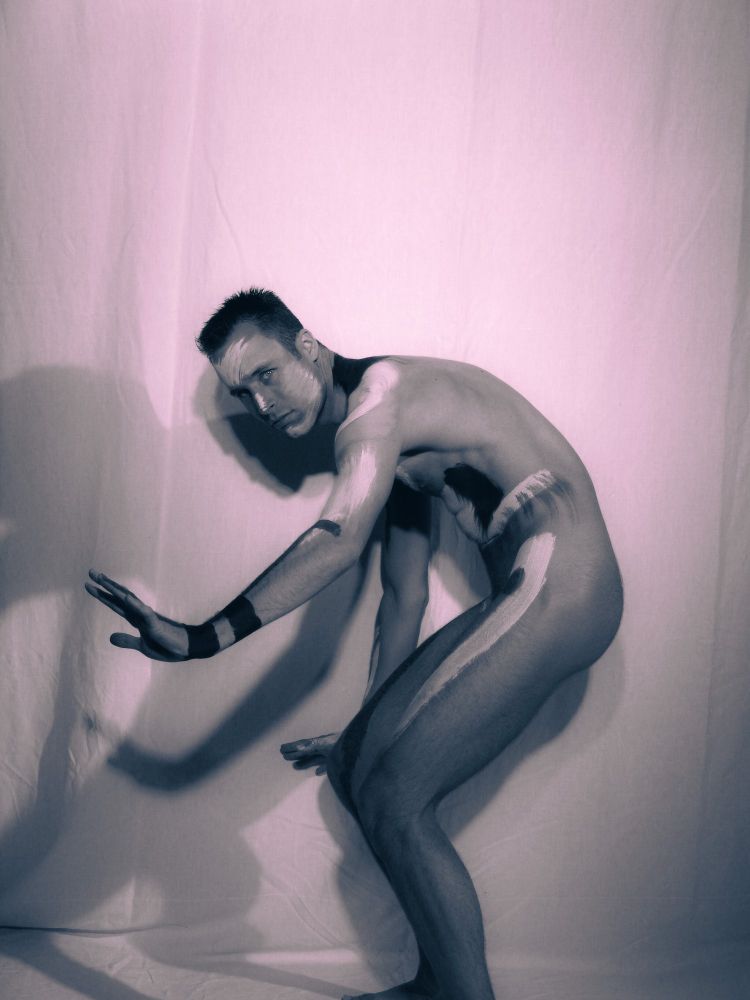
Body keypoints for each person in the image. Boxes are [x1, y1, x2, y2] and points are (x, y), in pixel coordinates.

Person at [85, 288, 623, 1000]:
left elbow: (337, 542)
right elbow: (403, 595)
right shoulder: (398, 446)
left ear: (307, 347)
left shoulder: (379, 403)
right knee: (356, 768)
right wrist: (369, 724)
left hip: (563, 587)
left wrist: (200, 639)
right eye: (243, 394)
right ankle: (437, 983)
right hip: (530, 594)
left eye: (267, 374)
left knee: (396, 798)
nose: (262, 404)